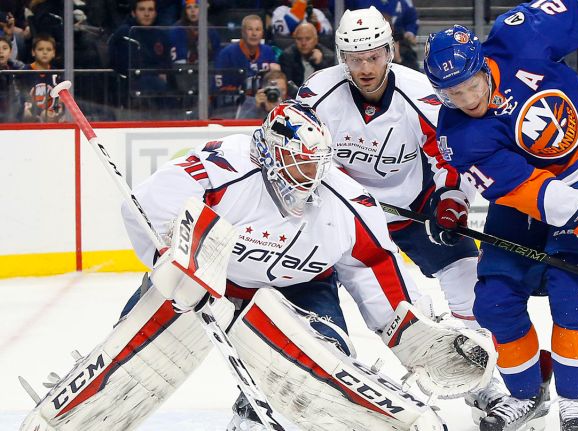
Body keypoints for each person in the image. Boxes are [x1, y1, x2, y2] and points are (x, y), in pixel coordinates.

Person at [20, 100, 495, 431]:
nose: (309, 180)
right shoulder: (223, 169)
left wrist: (407, 332)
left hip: (301, 288)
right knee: (132, 361)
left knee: (323, 369)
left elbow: (373, 266)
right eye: (298, 167)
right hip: (206, 276)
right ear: (268, 157)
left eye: (316, 167)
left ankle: (252, 414)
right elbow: (145, 209)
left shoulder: (346, 202)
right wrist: (175, 266)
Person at [423, 0, 578, 429]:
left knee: (573, 290)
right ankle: (526, 395)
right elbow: (528, 190)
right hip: (532, 192)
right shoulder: (458, 132)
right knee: (494, 300)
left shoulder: (519, 35)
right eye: (452, 93)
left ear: (482, 63)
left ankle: (576, 403)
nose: (468, 100)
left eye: (471, 85)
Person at [296, 6, 508, 423]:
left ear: (390, 50)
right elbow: (297, 150)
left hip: (413, 208)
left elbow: (449, 156)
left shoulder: (422, 94)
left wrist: (451, 200)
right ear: (342, 57)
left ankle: (488, 388)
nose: (364, 67)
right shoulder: (317, 94)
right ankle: (325, 370)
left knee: (469, 283)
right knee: (386, 302)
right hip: (345, 217)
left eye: (373, 55)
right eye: (354, 59)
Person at [213, 14, 279, 116]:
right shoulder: (226, 54)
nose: (254, 33)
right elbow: (219, 90)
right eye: (250, 29)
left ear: (262, 33)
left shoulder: (268, 52)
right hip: (232, 109)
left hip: (264, 106)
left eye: (258, 29)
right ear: (243, 32)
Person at [278, 21, 334, 87]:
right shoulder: (287, 56)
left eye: (308, 39)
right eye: (299, 39)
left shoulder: (328, 56)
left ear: (316, 40)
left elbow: (329, 84)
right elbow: (288, 85)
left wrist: (320, 64)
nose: (303, 43)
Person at [168, 0, 221, 65]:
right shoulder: (177, 30)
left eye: (196, 7)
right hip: (183, 70)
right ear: (184, 11)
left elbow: (217, 54)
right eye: (189, 7)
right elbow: (178, 58)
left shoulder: (210, 30)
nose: (192, 11)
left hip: (207, 70)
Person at [0, 34, 23, 121]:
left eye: (4, 48)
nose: (1, 51)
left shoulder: (19, 69)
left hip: (13, 110)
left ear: (10, 52)